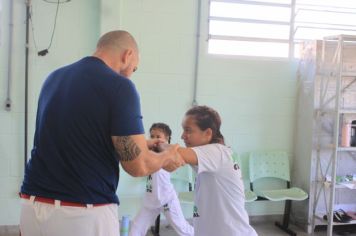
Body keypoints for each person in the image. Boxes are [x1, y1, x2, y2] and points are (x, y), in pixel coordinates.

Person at [19, 30, 184, 236]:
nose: (132, 73)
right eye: (135, 68)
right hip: (81, 213)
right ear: (127, 55)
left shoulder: (54, 78)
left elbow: (81, 133)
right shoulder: (121, 86)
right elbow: (137, 165)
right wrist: (168, 154)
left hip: (32, 206)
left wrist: (144, 143)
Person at [159, 105, 258, 236]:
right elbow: (175, 157)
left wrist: (156, 143)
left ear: (208, 133)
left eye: (188, 130)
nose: (183, 136)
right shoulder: (213, 154)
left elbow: (175, 153)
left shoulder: (216, 152)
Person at [129, 123, 194, 236]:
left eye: (158, 136)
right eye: (152, 136)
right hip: (151, 201)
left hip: (167, 199)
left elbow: (177, 158)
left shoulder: (168, 154)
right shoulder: (149, 153)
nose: (155, 140)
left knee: (182, 228)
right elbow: (139, 153)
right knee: (136, 228)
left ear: (166, 139)